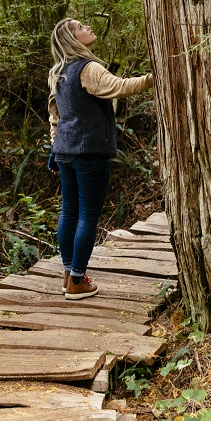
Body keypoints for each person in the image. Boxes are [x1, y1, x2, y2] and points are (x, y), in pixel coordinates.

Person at [48, 18, 154, 301]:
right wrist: (155, 77)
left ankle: (69, 274)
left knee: (69, 212)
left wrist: (54, 149)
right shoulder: (88, 69)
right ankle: (78, 282)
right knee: (87, 216)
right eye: (81, 27)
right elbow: (120, 87)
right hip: (89, 151)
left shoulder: (57, 72)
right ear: (73, 39)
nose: (88, 28)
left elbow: (55, 118)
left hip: (64, 152)